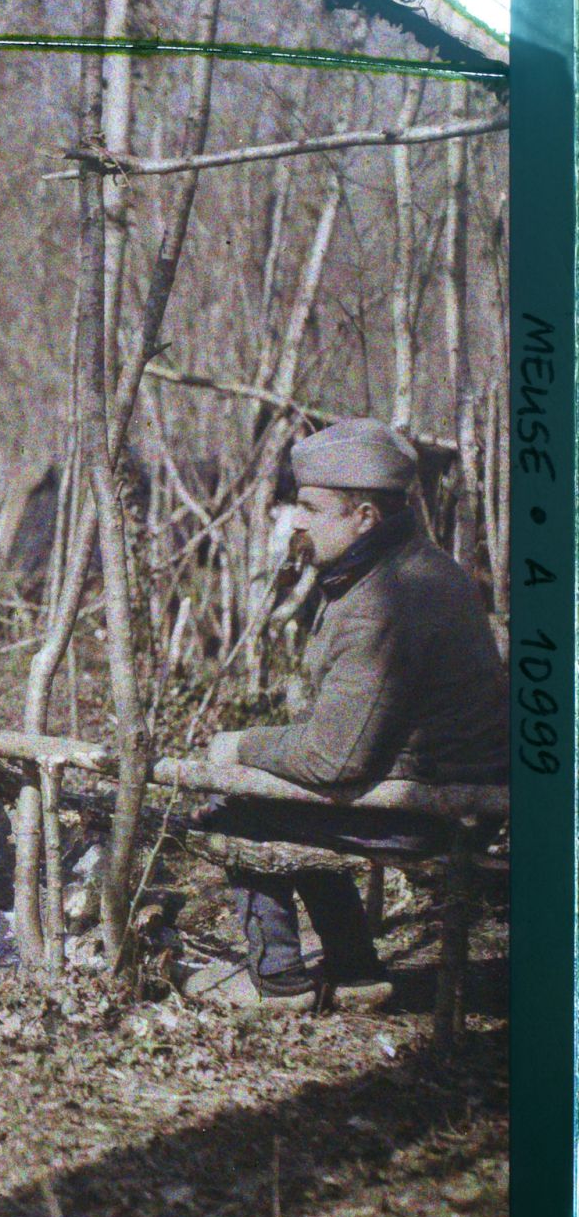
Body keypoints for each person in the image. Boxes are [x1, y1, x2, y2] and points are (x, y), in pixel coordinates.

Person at [196, 418, 506, 1009]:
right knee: (291, 802)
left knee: (234, 810)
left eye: (312, 506)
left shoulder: (389, 598)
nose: (299, 520)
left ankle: (280, 985)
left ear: (365, 516)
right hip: (447, 788)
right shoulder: (406, 568)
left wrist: (238, 746)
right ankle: (359, 975)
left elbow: (334, 759)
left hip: (439, 805)